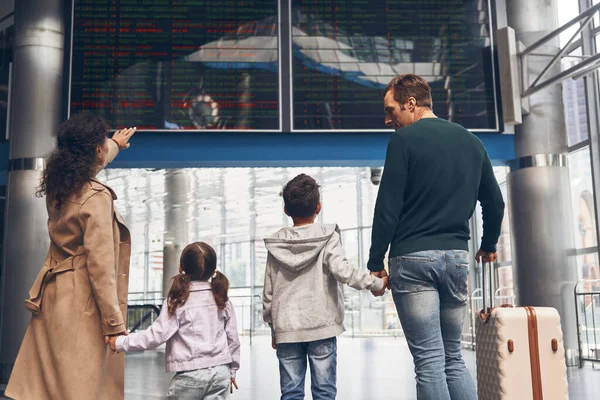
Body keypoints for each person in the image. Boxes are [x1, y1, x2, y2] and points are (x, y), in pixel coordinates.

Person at [367, 74, 505, 400]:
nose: (388, 120)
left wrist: (375, 262)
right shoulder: (472, 142)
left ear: (411, 103)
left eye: (391, 110)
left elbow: (388, 208)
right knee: (453, 358)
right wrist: (488, 245)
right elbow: (495, 202)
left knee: (429, 361)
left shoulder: (403, 141)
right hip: (457, 260)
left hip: (413, 259)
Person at [5, 112, 136, 400]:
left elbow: (89, 165)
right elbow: (101, 268)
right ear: (95, 151)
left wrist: (115, 143)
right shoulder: (95, 198)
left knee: (50, 387)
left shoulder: (59, 188)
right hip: (83, 305)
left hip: (54, 298)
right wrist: (115, 326)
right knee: (78, 388)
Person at [263, 173, 386, 400]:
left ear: (286, 210)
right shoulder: (327, 236)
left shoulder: (277, 245)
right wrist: (376, 283)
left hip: (287, 329)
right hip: (322, 326)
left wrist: (274, 327)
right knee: (324, 393)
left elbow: (269, 292)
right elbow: (343, 271)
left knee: (290, 393)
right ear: (318, 207)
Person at [109, 242, 241, 400]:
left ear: (180, 268)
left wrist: (119, 342)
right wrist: (232, 370)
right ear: (213, 271)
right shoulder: (222, 299)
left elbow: (156, 336)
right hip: (221, 374)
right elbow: (233, 338)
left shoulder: (178, 301)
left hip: (190, 375)